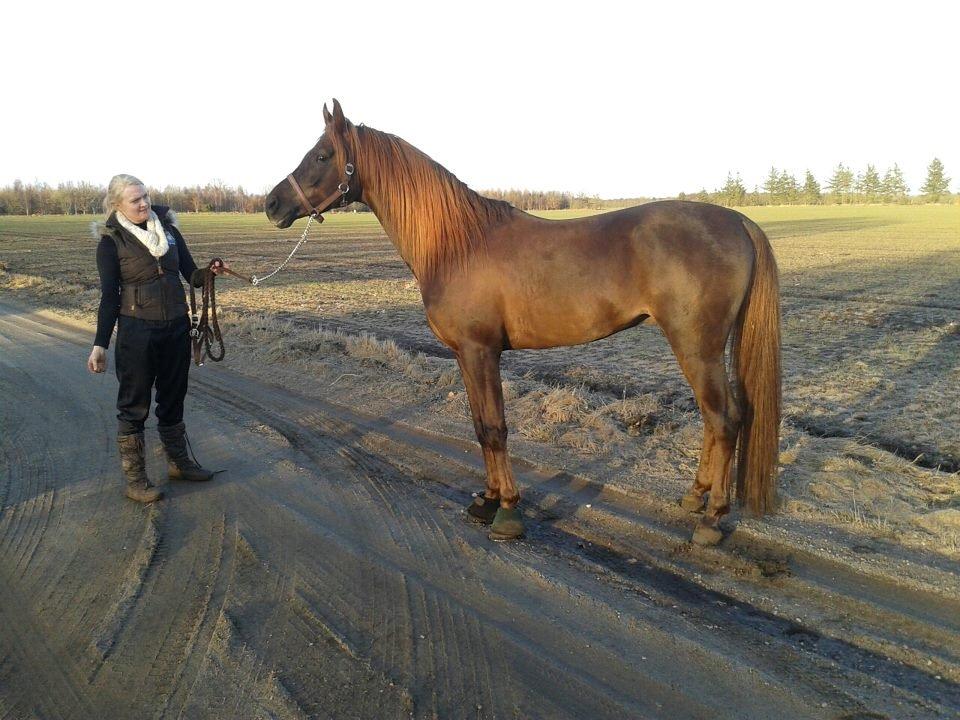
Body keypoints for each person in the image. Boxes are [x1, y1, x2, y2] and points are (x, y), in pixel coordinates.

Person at [87, 174, 225, 502]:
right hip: (136, 331)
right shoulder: (111, 242)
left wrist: (209, 272)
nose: (144, 203)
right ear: (117, 204)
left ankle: (179, 463)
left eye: (145, 196)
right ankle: (136, 480)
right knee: (134, 405)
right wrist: (100, 344)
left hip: (176, 327)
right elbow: (109, 297)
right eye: (135, 200)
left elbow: (190, 274)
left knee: (173, 397)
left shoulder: (170, 232)